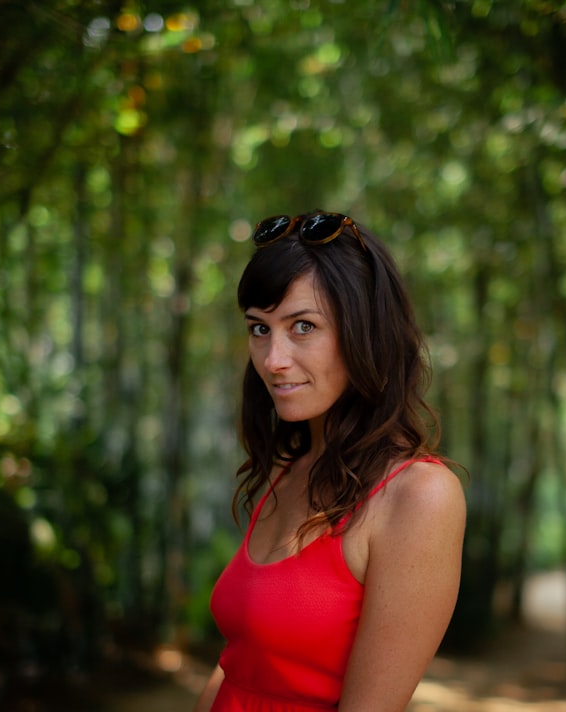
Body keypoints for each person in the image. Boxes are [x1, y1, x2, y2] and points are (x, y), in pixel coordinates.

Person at [194, 210, 466, 712]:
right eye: (259, 328)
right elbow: (238, 663)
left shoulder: (418, 496)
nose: (273, 359)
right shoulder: (288, 469)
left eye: (302, 326)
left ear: (367, 333)